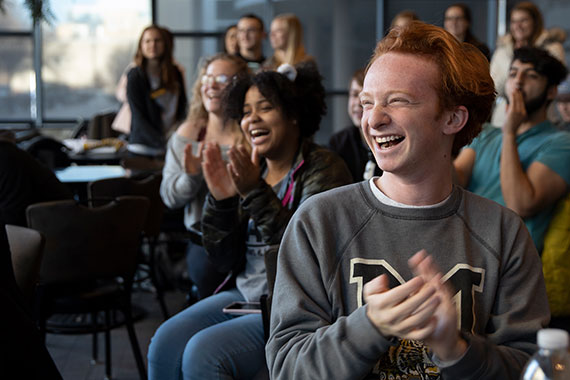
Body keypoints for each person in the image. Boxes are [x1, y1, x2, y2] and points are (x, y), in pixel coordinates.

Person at [267, 21, 550, 379]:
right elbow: (288, 369)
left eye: (397, 101)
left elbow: (530, 368)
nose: (374, 119)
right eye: (368, 102)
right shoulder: (318, 222)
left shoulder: (503, 232)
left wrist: (456, 349)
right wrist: (368, 326)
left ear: (453, 118)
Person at [147, 63, 352, 379]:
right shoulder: (250, 168)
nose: (251, 119)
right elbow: (223, 259)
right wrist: (223, 201)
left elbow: (307, 252)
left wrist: (253, 191)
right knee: (164, 341)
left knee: (203, 353)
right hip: (245, 294)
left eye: (265, 108)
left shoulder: (324, 167)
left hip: (298, 305)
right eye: (244, 112)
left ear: (294, 114)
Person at [455, 47, 570, 254]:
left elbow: (520, 204)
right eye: (513, 73)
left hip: (510, 258)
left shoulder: (561, 143)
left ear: (551, 91)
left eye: (531, 75)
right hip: (463, 245)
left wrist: (509, 133)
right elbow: (454, 181)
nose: (518, 81)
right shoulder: (486, 133)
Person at [160, 53, 249, 299]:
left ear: (239, 86)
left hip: (249, 241)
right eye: (208, 77)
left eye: (221, 78)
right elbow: (169, 197)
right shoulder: (189, 133)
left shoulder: (252, 133)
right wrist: (191, 177)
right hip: (204, 244)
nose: (211, 84)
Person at [490, 1, 566, 125]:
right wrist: (515, 57)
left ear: (535, 22)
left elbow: (554, 83)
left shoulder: (553, 48)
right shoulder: (502, 51)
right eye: (514, 21)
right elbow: (493, 88)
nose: (518, 26)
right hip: (504, 118)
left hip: (541, 118)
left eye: (523, 20)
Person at [126, 25, 187, 158]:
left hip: (172, 145)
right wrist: (162, 142)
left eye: (157, 40)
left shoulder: (175, 72)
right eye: (147, 41)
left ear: (165, 43)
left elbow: (183, 107)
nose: (152, 44)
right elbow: (138, 115)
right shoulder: (135, 75)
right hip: (143, 149)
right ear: (141, 45)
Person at [329, 68, 381, 181]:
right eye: (354, 94)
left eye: (365, 97)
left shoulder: (388, 141)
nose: (358, 102)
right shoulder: (339, 143)